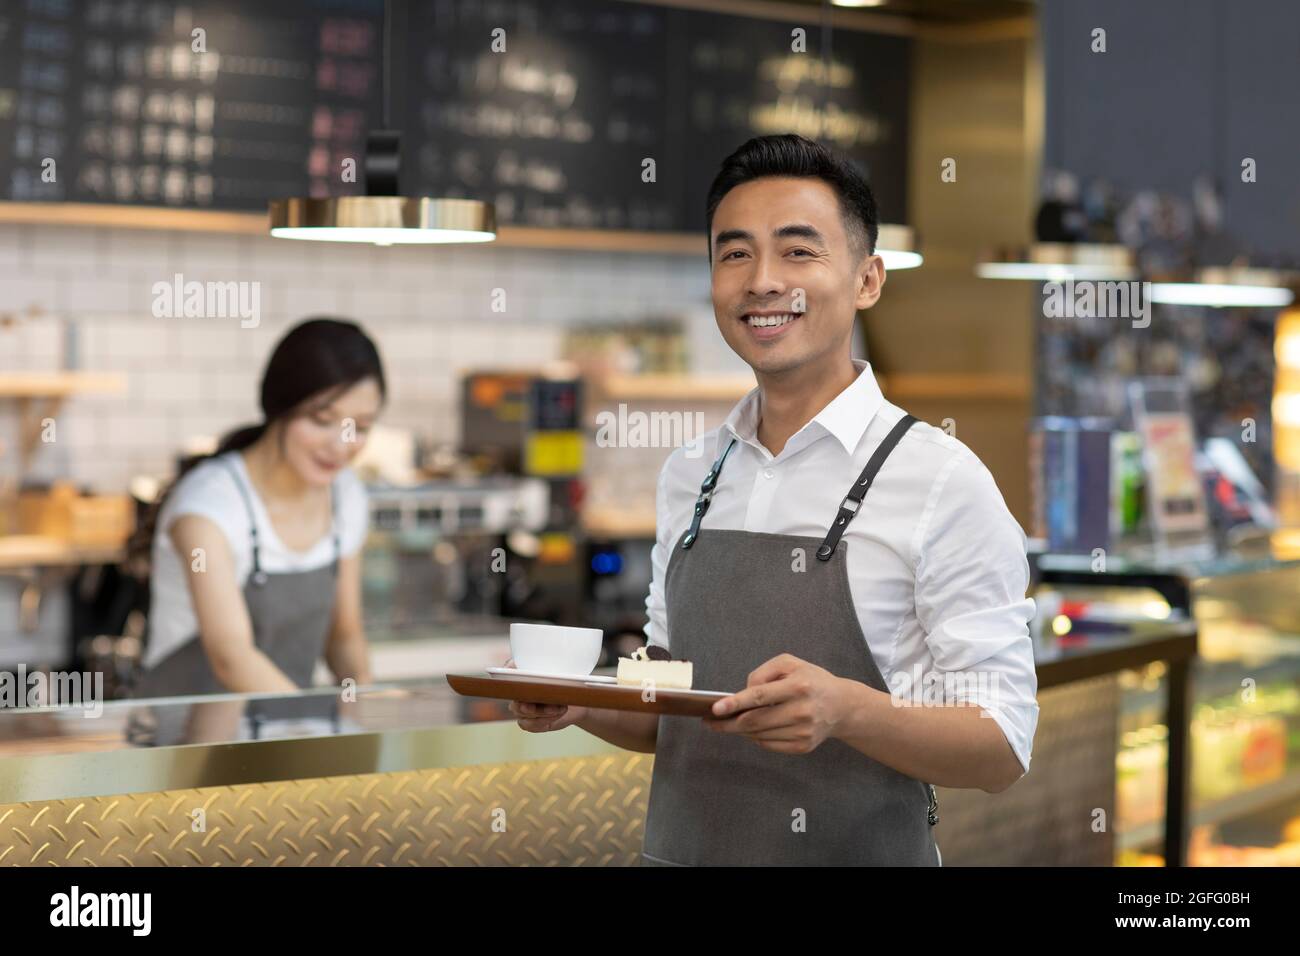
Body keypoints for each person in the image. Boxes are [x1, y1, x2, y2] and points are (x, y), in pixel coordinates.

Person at [510, 134, 1039, 866]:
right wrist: (583, 701)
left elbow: (1002, 744)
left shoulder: (943, 481)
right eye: (735, 254)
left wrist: (851, 712)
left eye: (797, 251)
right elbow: (673, 699)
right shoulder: (690, 473)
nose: (762, 281)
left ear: (867, 280)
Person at [130, 317, 384, 698]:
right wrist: (306, 725)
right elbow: (231, 658)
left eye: (360, 427)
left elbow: (344, 636)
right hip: (183, 729)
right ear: (280, 407)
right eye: (322, 420)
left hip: (281, 728)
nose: (341, 445)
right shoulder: (209, 507)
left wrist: (365, 711)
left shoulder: (345, 495)